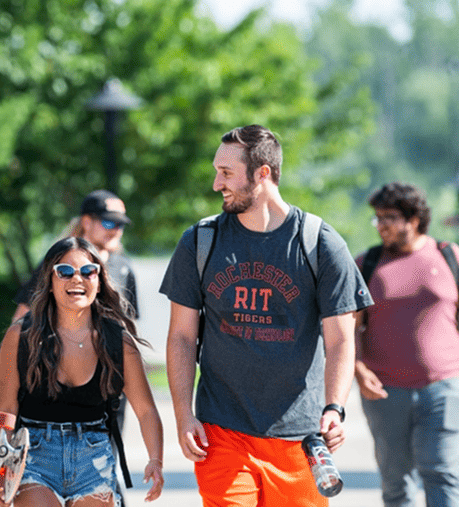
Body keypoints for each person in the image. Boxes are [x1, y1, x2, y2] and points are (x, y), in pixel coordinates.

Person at [159, 124, 372, 507]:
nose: (215, 183)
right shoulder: (200, 241)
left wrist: (334, 408)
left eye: (226, 173)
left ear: (262, 173)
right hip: (222, 432)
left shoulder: (320, 244)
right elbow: (181, 337)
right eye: (216, 171)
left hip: (299, 438)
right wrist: (182, 414)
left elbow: (340, 339)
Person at [354, 182, 459, 507]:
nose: (381, 224)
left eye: (390, 217)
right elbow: (350, 326)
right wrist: (357, 367)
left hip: (443, 387)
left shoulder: (449, 256)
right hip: (385, 392)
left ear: (414, 219)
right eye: (377, 217)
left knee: (442, 475)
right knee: (396, 483)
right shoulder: (367, 264)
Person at [0, 237, 164, 507]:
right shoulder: (20, 336)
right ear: (50, 280)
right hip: (33, 456)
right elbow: (5, 409)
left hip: (93, 459)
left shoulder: (117, 341)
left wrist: (156, 460)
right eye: (65, 272)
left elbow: (146, 410)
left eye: (87, 271)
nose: (77, 279)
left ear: (99, 278)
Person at [12, 190, 138, 323]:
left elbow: (129, 324)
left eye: (120, 225)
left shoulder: (123, 266)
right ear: (87, 222)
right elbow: (21, 319)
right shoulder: (57, 262)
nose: (115, 231)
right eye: (109, 223)